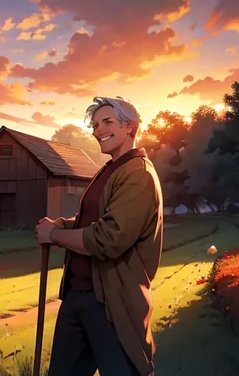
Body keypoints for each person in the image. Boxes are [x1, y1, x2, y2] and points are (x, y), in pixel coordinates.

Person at [35, 96, 163, 376]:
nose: (97, 130)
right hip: (78, 296)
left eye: (107, 122)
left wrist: (54, 235)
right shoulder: (109, 170)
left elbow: (109, 237)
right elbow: (95, 220)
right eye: (95, 125)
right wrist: (64, 225)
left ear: (130, 126)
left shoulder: (138, 174)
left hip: (111, 302)